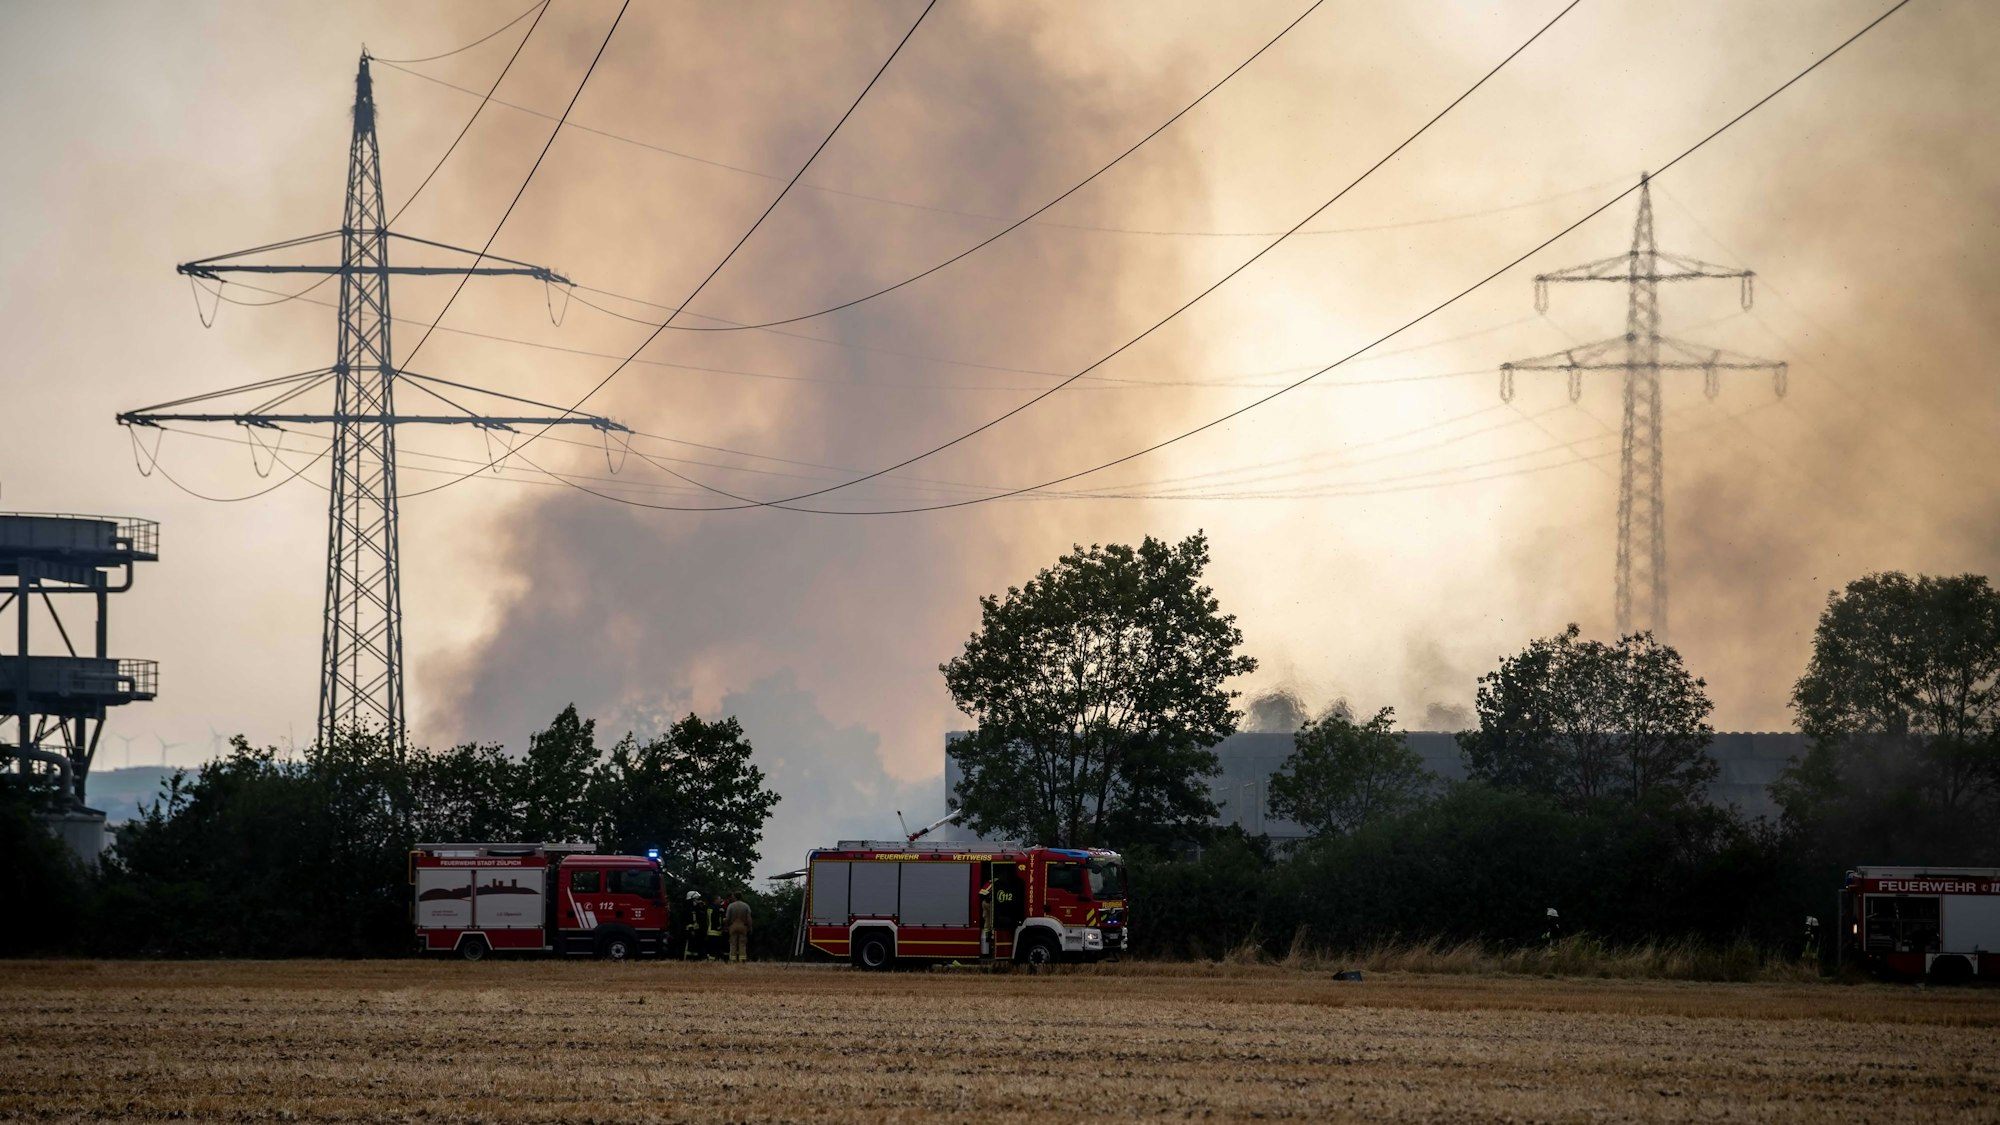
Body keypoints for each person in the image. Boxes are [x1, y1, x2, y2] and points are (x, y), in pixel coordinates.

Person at [724, 893, 753, 963]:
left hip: (733, 925)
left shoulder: (731, 905)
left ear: (735, 897)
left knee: (733, 943)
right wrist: (750, 927)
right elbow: (749, 918)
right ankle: (742, 959)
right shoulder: (746, 905)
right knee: (742, 943)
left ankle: (733, 959)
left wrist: (726, 926)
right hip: (743, 925)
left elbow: (727, 918)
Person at [681, 890, 707, 961]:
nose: (698, 901)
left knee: (696, 946)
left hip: (696, 931)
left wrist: (702, 906)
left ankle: (696, 959)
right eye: (696, 899)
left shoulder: (695, 908)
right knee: (689, 946)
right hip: (689, 931)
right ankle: (688, 959)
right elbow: (687, 921)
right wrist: (691, 930)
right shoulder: (687, 909)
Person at [706, 894, 727, 961]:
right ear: (715, 900)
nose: (720, 900)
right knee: (715, 947)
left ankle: (710, 959)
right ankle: (713, 959)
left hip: (709, 930)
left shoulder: (709, 908)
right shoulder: (716, 909)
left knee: (710, 946)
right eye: (719, 899)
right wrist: (719, 926)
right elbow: (716, 919)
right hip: (715, 931)